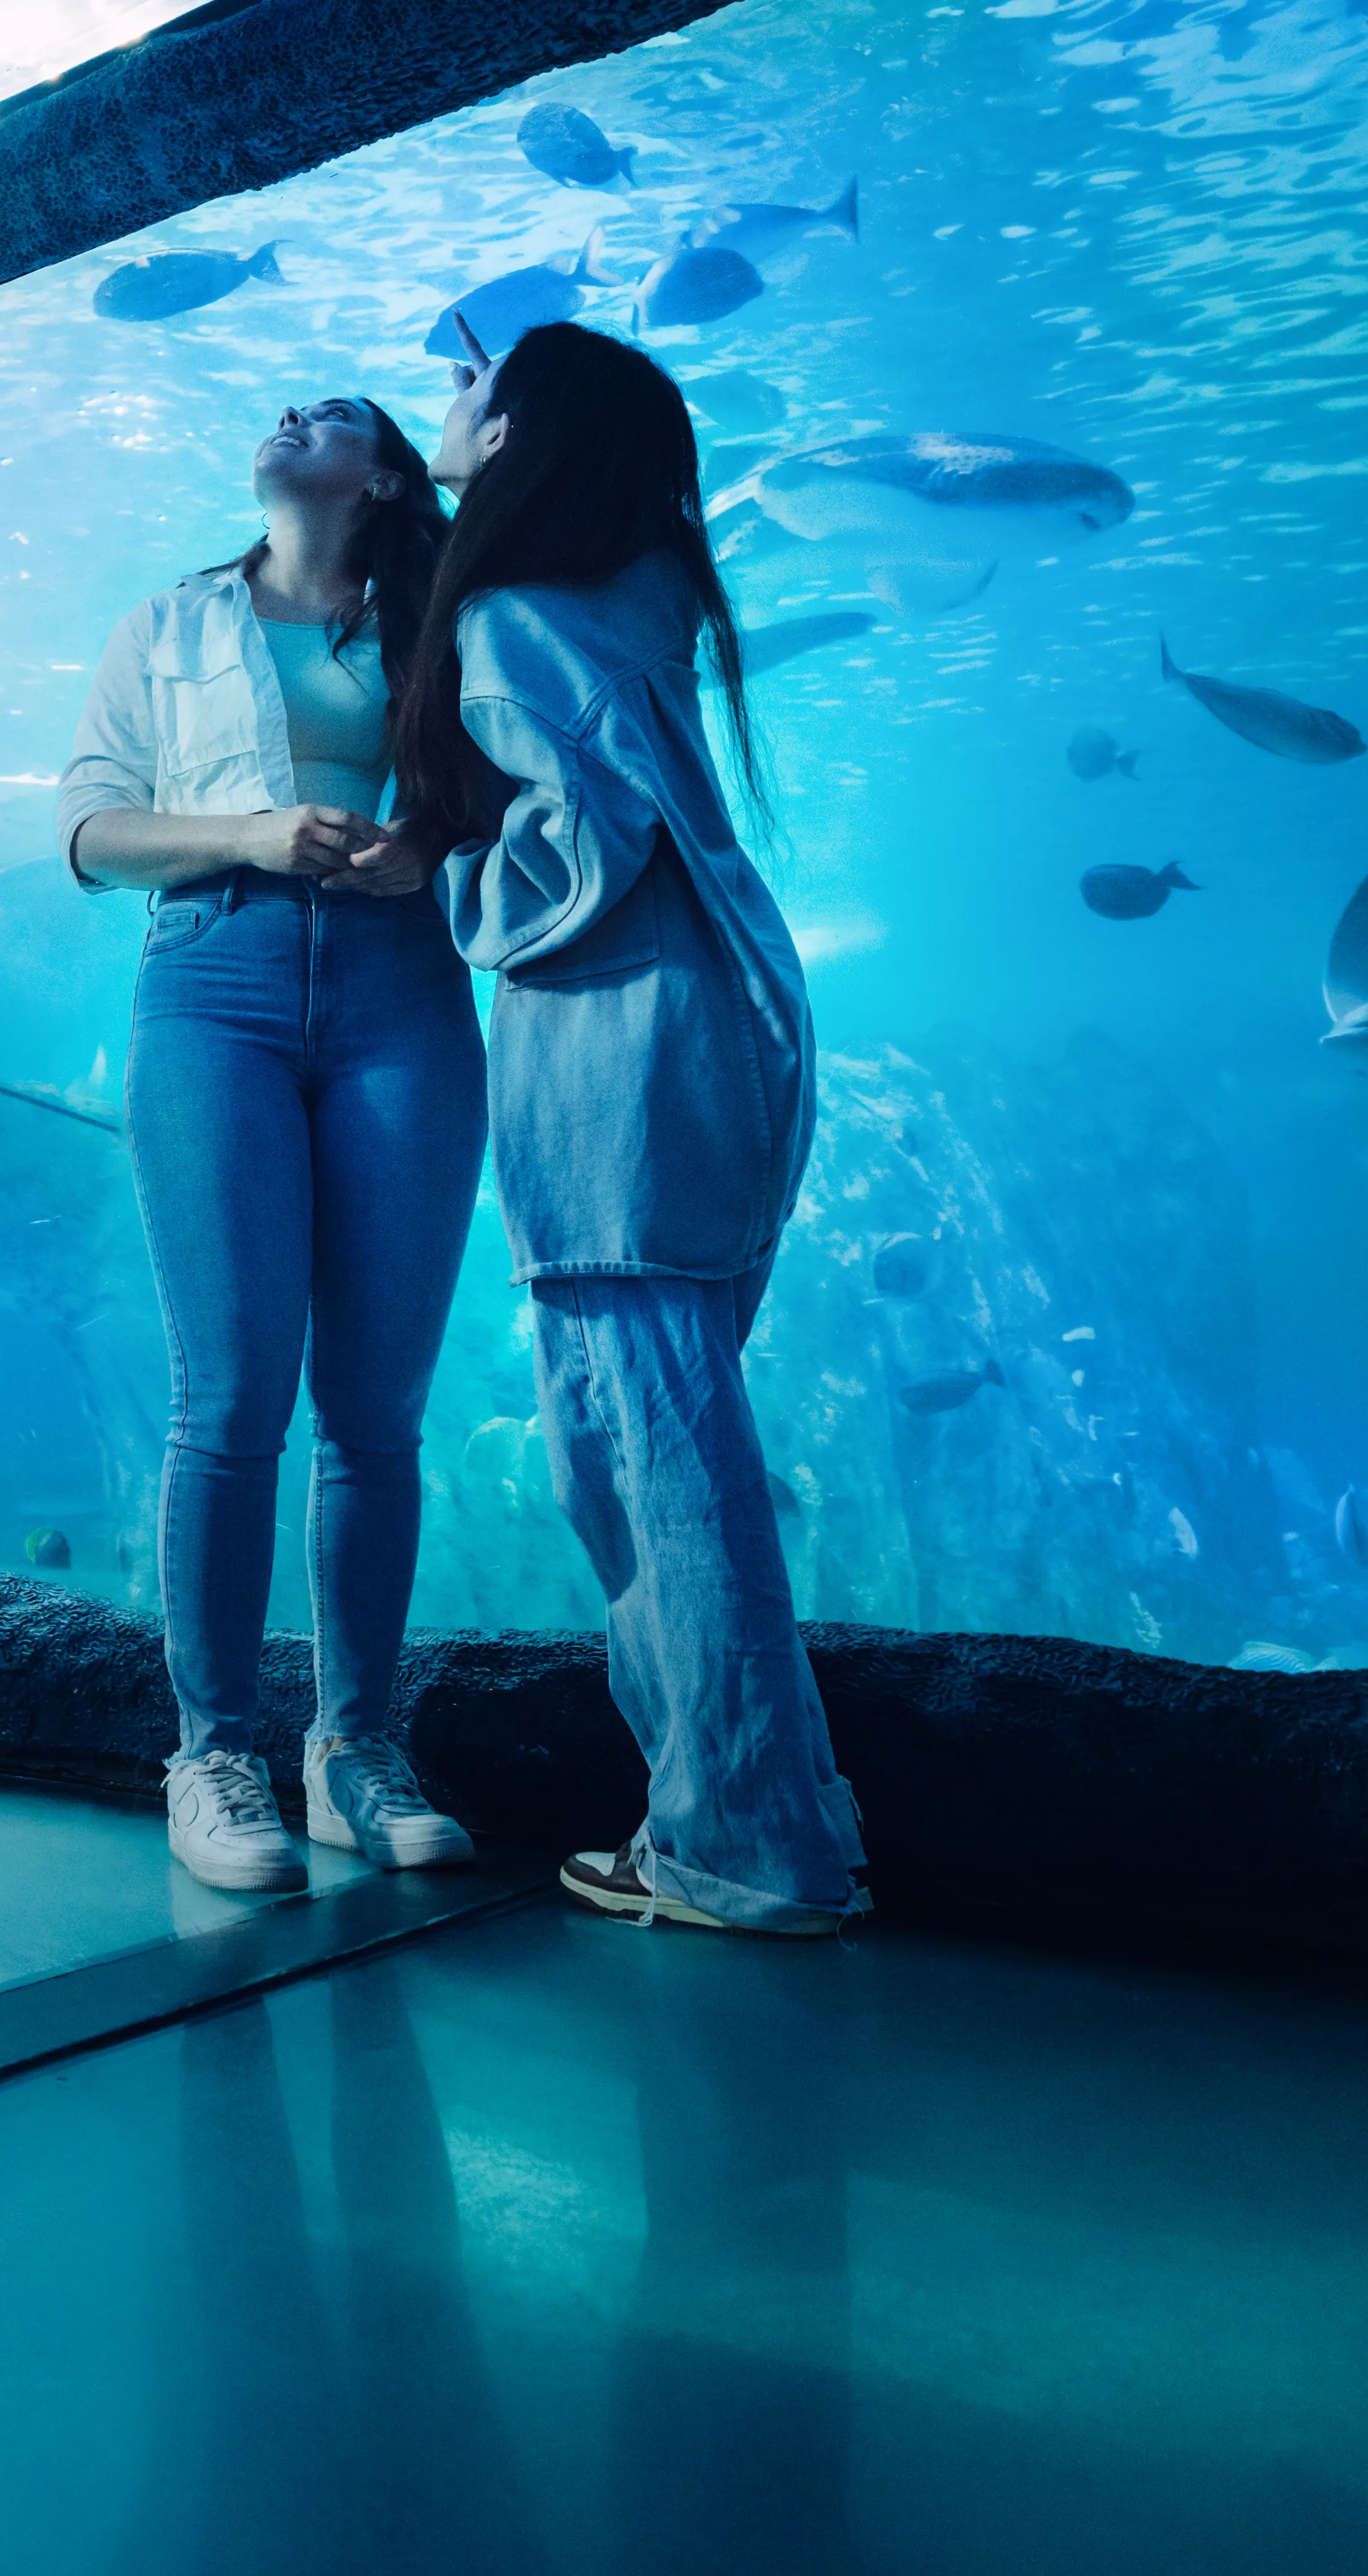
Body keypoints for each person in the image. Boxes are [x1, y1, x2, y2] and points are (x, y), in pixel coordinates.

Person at [391, 320, 863, 1935]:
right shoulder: (643, 585)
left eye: (470, 391)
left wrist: (441, 879)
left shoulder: (517, 617)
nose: (441, 407)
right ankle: (772, 1816)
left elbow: (579, 845)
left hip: (620, 1062)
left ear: (519, 435)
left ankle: (741, 1844)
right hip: (721, 1029)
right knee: (684, 1444)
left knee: (646, 1466)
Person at [64, 397, 491, 1896]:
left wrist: (421, 847)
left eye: (329, 410)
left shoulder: (447, 621)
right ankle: (215, 1750)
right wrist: (248, 836)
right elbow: (92, 829)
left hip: (402, 988)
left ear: (379, 476)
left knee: (377, 1404)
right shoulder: (166, 623)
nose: (285, 413)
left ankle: (356, 1747)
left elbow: (497, 793)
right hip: (212, 979)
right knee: (234, 1387)